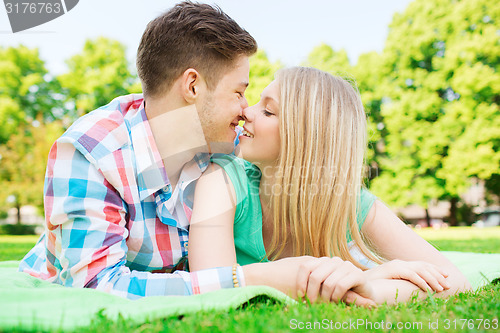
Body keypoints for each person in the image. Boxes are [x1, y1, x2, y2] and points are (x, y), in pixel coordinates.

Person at [18, 1, 261, 299]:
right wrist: (242, 280)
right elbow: (96, 287)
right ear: (193, 86)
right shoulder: (91, 151)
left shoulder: (224, 144)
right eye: (238, 92)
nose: (245, 109)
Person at [188, 67, 471, 304]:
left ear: (306, 138)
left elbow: (456, 281)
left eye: (268, 111)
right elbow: (211, 285)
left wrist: (369, 288)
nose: (246, 112)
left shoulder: (349, 202)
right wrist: (348, 278)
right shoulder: (221, 180)